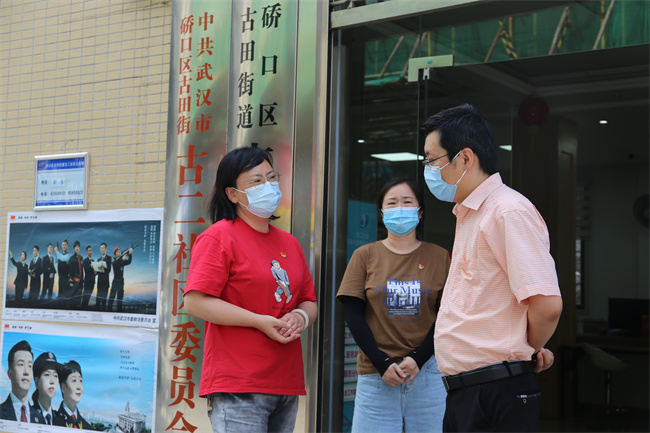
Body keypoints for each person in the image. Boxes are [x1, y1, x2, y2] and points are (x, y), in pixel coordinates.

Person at [421, 103, 563, 432]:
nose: (429, 170)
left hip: (494, 390)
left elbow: (547, 306)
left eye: (432, 160)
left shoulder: (507, 211)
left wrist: (525, 349)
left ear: (465, 158)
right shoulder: (472, 213)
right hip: (470, 391)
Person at [183, 145, 318, 433]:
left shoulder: (289, 242)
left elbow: (309, 300)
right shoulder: (218, 237)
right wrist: (258, 321)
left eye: (271, 178)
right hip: (239, 383)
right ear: (232, 194)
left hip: (286, 381)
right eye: (256, 181)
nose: (268, 186)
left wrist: (301, 317)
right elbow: (195, 302)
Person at [337, 178, 449, 432]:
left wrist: (418, 359)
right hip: (376, 375)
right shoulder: (364, 255)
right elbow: (353, 315)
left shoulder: (440, 257)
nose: (399, 208)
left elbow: (446, 316)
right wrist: (382, 363)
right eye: (392, 203)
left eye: (407, 202)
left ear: (420, 212)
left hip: (427, 374)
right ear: (382, 213)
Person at [0, 340, 45, 424]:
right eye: (21, 364)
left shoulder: (40, 418)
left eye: (29, 366)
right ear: (10, 374)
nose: (26, 372)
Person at [54, 360, 91, 429]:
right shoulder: (53, 422)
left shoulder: (87, 427)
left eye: (80, 381)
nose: (79, 387)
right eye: (74, 380)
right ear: (63, 388)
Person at [31, 351, 64, 426]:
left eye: (55, 376)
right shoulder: (28, 416)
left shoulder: (61, 420)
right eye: (47, 375)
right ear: (36, 381)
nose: (52, 381)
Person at [107, 246, 133, 312]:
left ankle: (119, 310)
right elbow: (115, 264)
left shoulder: (121, 261)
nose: (119, 253)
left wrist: (130, 254)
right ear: (115, 254)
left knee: (120, 298)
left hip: (121, 281)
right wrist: (122, 259)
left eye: (119, 251)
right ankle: (109, 310)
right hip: (115, 281)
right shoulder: (113, 259)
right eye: (118, 252)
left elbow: (129, 262)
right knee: (111, 297)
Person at [67, 241, 84, 307]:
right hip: (75, 280)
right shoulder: (72, 258)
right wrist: (71, 281)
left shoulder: (81, 258)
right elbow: (70, 271)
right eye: (76, 247)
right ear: (74, 248)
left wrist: (83, 279)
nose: (77, 248)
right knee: (73, 295)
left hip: (81, 280)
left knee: (79, 295)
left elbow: (82, 270)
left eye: (78, 247)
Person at [95, 242, 112, 310]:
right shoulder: (98, 259)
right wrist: (95, 272)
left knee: (104, 302)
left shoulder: (109, 258)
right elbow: (97, 272)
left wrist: (103, 269)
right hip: (99, 283)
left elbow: (109, 270)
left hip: (105, 283)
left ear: (106, 249)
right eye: (101, 248)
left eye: (103, 248)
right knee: (97, 301)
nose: (102, 249)